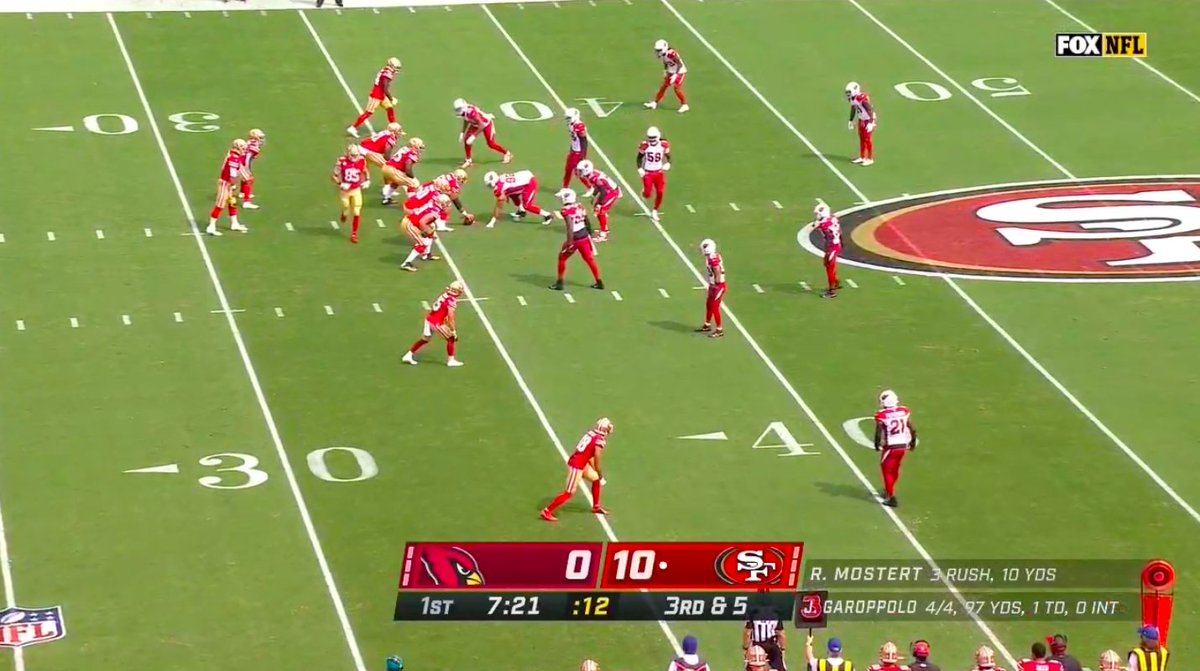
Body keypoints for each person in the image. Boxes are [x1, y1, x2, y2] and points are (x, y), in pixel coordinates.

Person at [540, 418, 613, 522]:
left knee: (595, 479)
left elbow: (589, 455)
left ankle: (596, 506)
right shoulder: (599, 440)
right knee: (569, 492)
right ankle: (547, 511)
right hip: (577, 465)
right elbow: (596, 456)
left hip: (582, 463)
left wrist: (596, 471)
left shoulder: (591, 433)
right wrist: (599, 471)